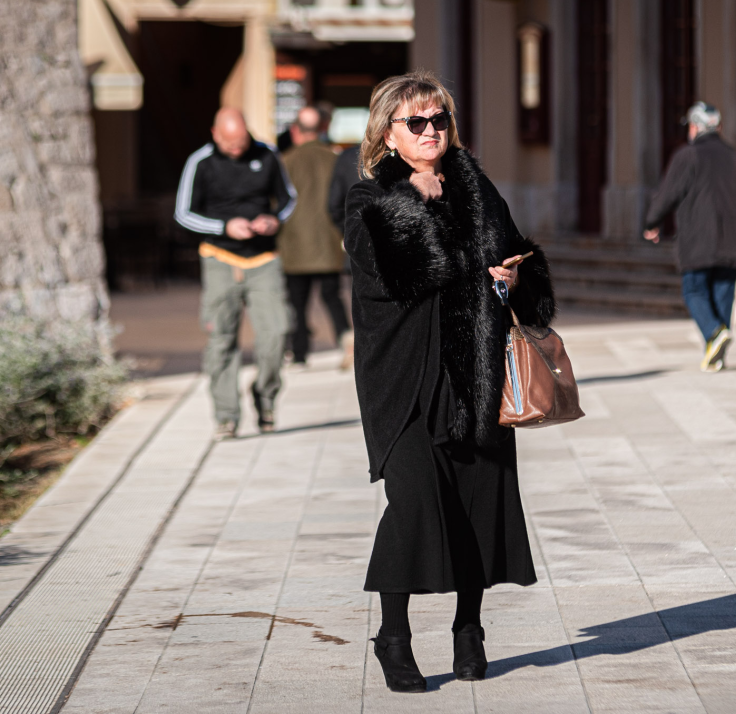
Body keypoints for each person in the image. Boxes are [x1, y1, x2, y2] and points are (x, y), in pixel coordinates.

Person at [343, 72, 554, 693]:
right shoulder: (368, 199)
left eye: (439, 120)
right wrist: (425, 208)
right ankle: (394, 635)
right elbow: (401, 275)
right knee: (413, 502)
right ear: (388, 133)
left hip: (475, 371)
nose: (432, 131)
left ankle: (470, 629)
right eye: (417, 123)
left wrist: (517, 281)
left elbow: (523, 262)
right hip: (403, 378)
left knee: (475, 502)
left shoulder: (476, 186)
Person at [174, 108, 296, 440]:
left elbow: (288, 199)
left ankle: (265, 397)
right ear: (215, 134)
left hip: (264, 260)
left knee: (276, 334)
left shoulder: (267, 153)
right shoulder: (200, 161)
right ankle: (226, 416)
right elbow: (183, 213)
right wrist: (224, 226)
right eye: (229, 141)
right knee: (221, 339)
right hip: (219, 258)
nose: (236, 147)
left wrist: (275, 220)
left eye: (241, 140)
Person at [643, 101, 736, 372]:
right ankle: (716, 354)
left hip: (697, 242)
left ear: (695, 127)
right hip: (732, 242)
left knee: (693, 290)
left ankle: (713, 332)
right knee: (723, 294)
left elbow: (667, 193)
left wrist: (652, 222)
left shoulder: (687, 156)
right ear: (718, 127)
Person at [278, 106, 353, 368]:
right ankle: (346, 340)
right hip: (328, 242)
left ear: (295, 131)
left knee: (297, 302)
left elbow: (275, 202)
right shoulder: (334, 159)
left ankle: (299, 354)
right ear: (321, 130)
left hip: (294, 243)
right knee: (332, 297)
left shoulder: (285, 160)